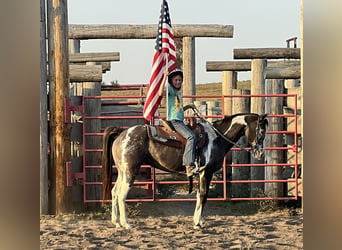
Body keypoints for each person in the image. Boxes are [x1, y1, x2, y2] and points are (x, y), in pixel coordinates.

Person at [158, 69, 198, 177]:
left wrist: (188, 107)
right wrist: (164, 78)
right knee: (191, 137)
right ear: (171, 81)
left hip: (179, 120)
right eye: (176, 80)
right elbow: (160, 93)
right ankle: (188, 165)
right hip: (174, 121)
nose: (178, 82)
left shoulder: (179, 93)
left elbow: (177, 109)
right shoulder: (170, 90)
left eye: (180, 80)